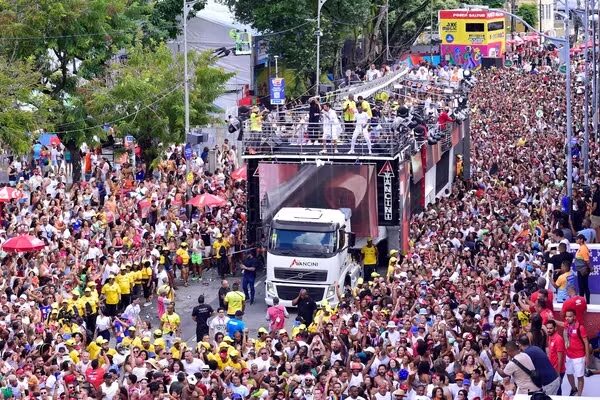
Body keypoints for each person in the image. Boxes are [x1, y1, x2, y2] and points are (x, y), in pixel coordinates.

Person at [564, 309, 590, 396]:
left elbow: (586, 342)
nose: (567, 318)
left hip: (579, 357)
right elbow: (563, 329)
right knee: (569, 374)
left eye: (570, 316)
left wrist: (587, 357)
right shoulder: (566, 325)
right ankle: (574, 389)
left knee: (580, 377)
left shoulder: (580, 327)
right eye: (566, 316)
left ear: (574, 317)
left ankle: (579, 395)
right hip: (569, 356)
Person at [546, 320, 566, 395]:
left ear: (555, 328)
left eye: (550, 328)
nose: (548, 330)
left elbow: (560, 357)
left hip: (558, 370)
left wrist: (558, 372)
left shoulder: (558, 339)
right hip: (552, 369)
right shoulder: (550, 337)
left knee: (558, 389)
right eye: (547, 328)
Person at [573, 234, 591, 303]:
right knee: (583, 286)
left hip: (583, 270)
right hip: (581, 270)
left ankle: (585, 302)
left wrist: (589, 268)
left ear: (581, 240)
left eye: (577, 239)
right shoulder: (581, 247)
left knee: (583, 287)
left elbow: (587, 261)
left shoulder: (583, 248)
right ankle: (584, 302)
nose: (576, 240)